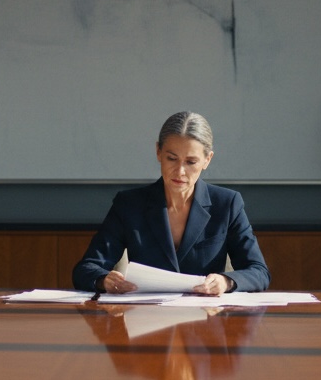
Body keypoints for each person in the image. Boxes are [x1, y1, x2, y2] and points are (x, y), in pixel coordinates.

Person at [72, 111, 269, 295]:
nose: (180, 171)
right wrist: (103, 280)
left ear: (207, 160)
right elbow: (86, 269)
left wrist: (227, 282)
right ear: (158, 152)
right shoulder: (129, 204)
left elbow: (258, 272)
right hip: (145, 319)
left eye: (191, 162)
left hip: (205, 323)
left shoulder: (227, 204)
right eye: (172, 158)